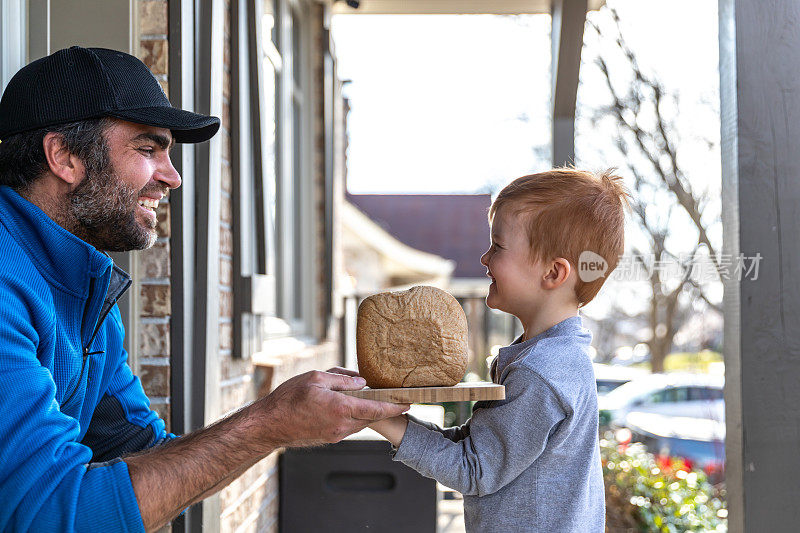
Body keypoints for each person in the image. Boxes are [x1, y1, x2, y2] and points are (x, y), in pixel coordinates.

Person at [0, 46, 407, 532]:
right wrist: (268, 424)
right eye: (148, 149)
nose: (171, 176)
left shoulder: (84, 288)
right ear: (64, 157)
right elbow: (52, 513)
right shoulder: (8, 282)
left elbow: (147, 455)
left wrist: (282, 422)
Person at [369, 169, 631, 532]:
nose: (485, 258)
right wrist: (380, 409)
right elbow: (479, 447)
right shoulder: (552, 357)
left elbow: (475, 469)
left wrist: (377, 418)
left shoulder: (541, 372)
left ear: (554, 273)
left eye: (499, 246)